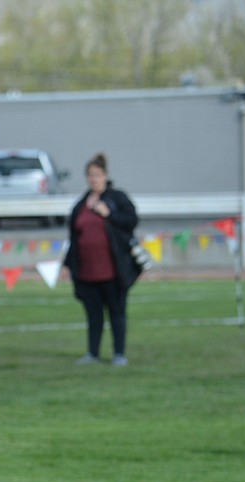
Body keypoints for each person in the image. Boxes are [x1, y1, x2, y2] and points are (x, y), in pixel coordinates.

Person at [64, 152, 140, 367]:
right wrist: (67, 264)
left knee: (117, 312)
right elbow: (74, 237)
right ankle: (93, 353)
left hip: (113, 270)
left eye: (97, 175)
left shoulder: (117, 198)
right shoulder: (81, 204)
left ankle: (119, 353)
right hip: (88, 271)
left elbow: (131, 221)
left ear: (105, 175)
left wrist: (108, 213)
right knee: (93, 315)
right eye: (90, 175)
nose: (93, 179)